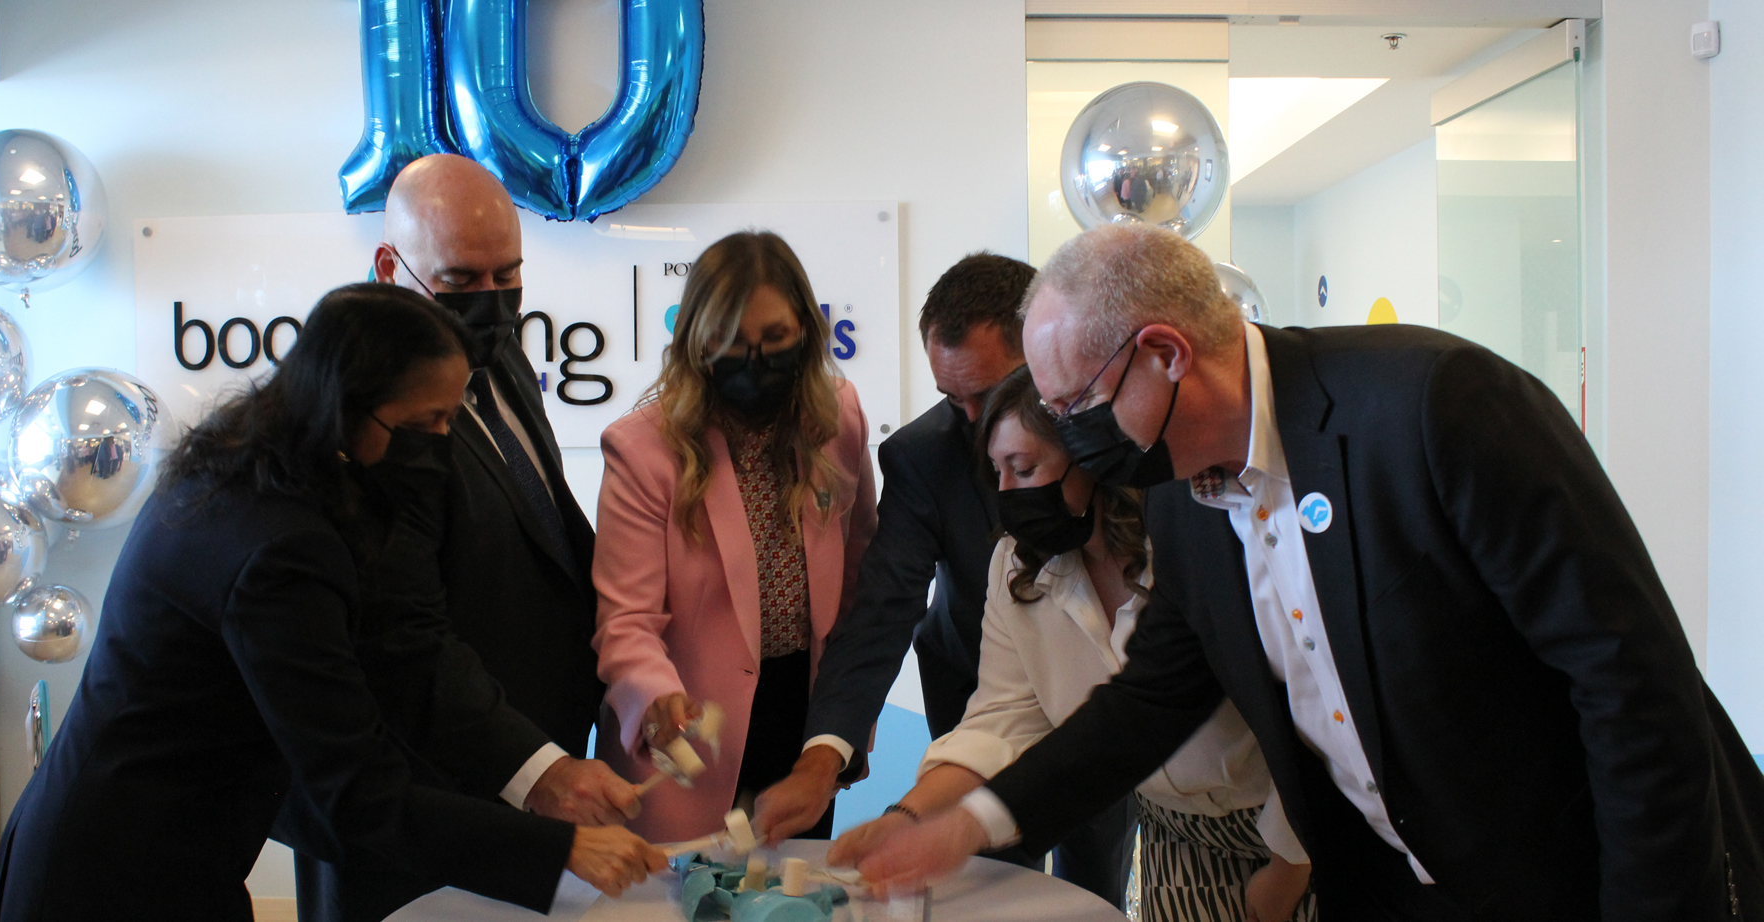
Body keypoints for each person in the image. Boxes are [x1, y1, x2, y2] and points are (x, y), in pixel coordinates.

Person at [853, 223, 1764, 921]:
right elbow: (1147, 703)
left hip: (1577, 877)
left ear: (1165, 353)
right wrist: (973, 822)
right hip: (1395, 886)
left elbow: (1631, 686)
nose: (1067, 436)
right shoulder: (1179, 496)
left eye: (1077, 405)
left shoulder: (1435, 407)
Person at [0, 284, 664, 922]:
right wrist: (553, 851)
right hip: (114, 879)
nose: (443, 442)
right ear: (350, 404)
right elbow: (356, 789)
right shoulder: (274, 545)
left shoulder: (284, 470)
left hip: (183, 855)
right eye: (429, 420)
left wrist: (543, 777)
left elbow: (407, 649)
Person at [830, 366, 1313, 919]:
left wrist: (1288, 866)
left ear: (1091, 459)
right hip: (1174, 831)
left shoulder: (1188, 544)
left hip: (1302, 822)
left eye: (1025, 468)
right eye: (996, 472)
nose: (1007, 495)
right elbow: (1003, 719)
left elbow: (1307, 712)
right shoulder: (1018, 567)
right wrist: (907, 819)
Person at [289, 154, 617, 921]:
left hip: (526, 763)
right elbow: (398, 634)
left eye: (509, 277)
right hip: (419, 792)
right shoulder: (364, 413)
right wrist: (534, 767)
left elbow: (545, 535)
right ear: (388, 265)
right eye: (462, 282)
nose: (492, 303)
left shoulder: (503, 359)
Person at [592, 230, 879, 843]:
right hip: (689, 727)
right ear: (696, 341)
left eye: (774, 338)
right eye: (730, 342)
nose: (755, 360)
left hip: (802, 718)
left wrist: (841, 729)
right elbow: (625, 621)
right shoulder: (643, 448)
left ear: (805, 328)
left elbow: (860, 576)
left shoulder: (838, 415)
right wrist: (655, 697)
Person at [754, 253, 1031, 844]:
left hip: (1110, 686)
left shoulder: (1116, 434)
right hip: (976, 687)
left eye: (991, 392)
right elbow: (881, 609)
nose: (976, 421)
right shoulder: (923, 455)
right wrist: (820, 760)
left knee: (1097, 864)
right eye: (954, 399)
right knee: (996, 870)